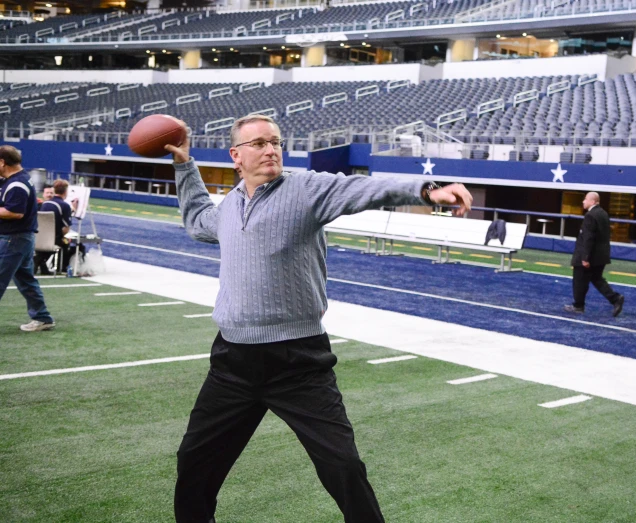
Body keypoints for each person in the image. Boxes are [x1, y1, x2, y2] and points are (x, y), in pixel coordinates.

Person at [166, 114, 472, 523]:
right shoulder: (230, 206)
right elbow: (196, 218)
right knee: (194, 465)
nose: (271, 149)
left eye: (275, 141)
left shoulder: (305, 188)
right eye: (258, 143)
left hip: (298, 362)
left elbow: (362, 188)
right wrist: (184, 164)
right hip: (232, 363)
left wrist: (426, 188)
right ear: (235, 156)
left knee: (343, 468)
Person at [0, 145, 56, 332]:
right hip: (21, 238)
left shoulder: (16, 184)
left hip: (13, 238)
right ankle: (42, 317)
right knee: (26, 280)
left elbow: (14, 212)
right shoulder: (18, 179)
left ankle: (42, 317)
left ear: (2, 162)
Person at [564, 191, 624, 317]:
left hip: (589, 256)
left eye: (585, 199)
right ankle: (615, 298)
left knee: (579, 280)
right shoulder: (603, 213)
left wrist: (585, 258)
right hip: (601, 256)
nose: (583, 201)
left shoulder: (590, 215)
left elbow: (588, 237)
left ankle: (578, 305)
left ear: (592, 201)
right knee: (597, 279)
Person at [35, 179, 74, 275]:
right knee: (66, 241)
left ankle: (41, 263)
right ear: (65, 191)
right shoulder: (64, 206)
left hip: (39, 237)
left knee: (44, 249)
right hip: (54, 239)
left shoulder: (44, 204)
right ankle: (62, 267)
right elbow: (66, 228)